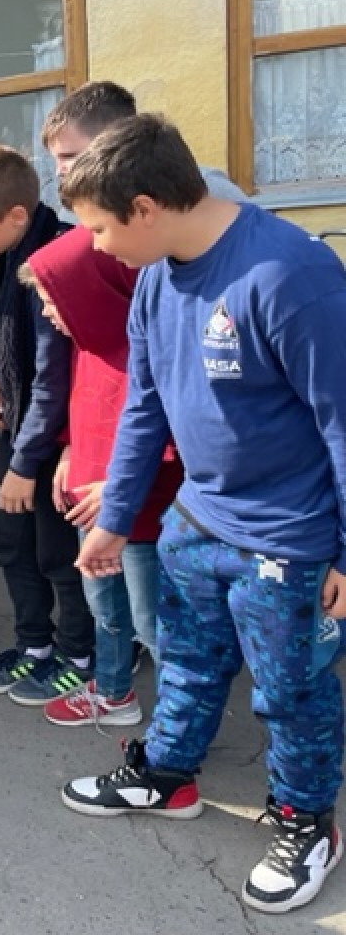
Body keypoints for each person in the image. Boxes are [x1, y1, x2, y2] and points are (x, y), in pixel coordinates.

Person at [59, 113, 346, 914]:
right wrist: (115, 518)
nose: (98, 248)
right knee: (184, 659)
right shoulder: (156, 278)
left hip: (286, 539)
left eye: (101, 229)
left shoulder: (293, 275)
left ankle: (307, 822)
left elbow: (344, 425)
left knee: (291, 693)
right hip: (195, 522)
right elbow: (144, 408)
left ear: (145, 208)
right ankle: (167, 775)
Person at [0, 145, 95, 705]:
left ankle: (79, 654)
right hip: (21, 426)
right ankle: (35, 643)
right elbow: (1, 327)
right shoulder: (7, 253)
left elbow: (53, 377)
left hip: (53, 440)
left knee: (57, 552)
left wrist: (26, 464)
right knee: (11, 544)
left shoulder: (49, 262)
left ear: (15, 216)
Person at [17, 230, 182, 726]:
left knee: (154, 624)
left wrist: (117, 490)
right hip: (90, 509)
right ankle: (113, 693)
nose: (48, 314)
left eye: (53, 301)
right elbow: (83, 403)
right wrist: (69, 449)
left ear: (89, 293)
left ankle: (177, 725)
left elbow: (172, 438)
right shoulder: (86, 342)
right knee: (105, 610)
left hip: (139, 520)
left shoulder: (151, 347)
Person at [40, 80, 247, 206]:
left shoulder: (206, 190)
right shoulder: (78, 205)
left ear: (112, 138)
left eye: (69, 156)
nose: (59, 171)